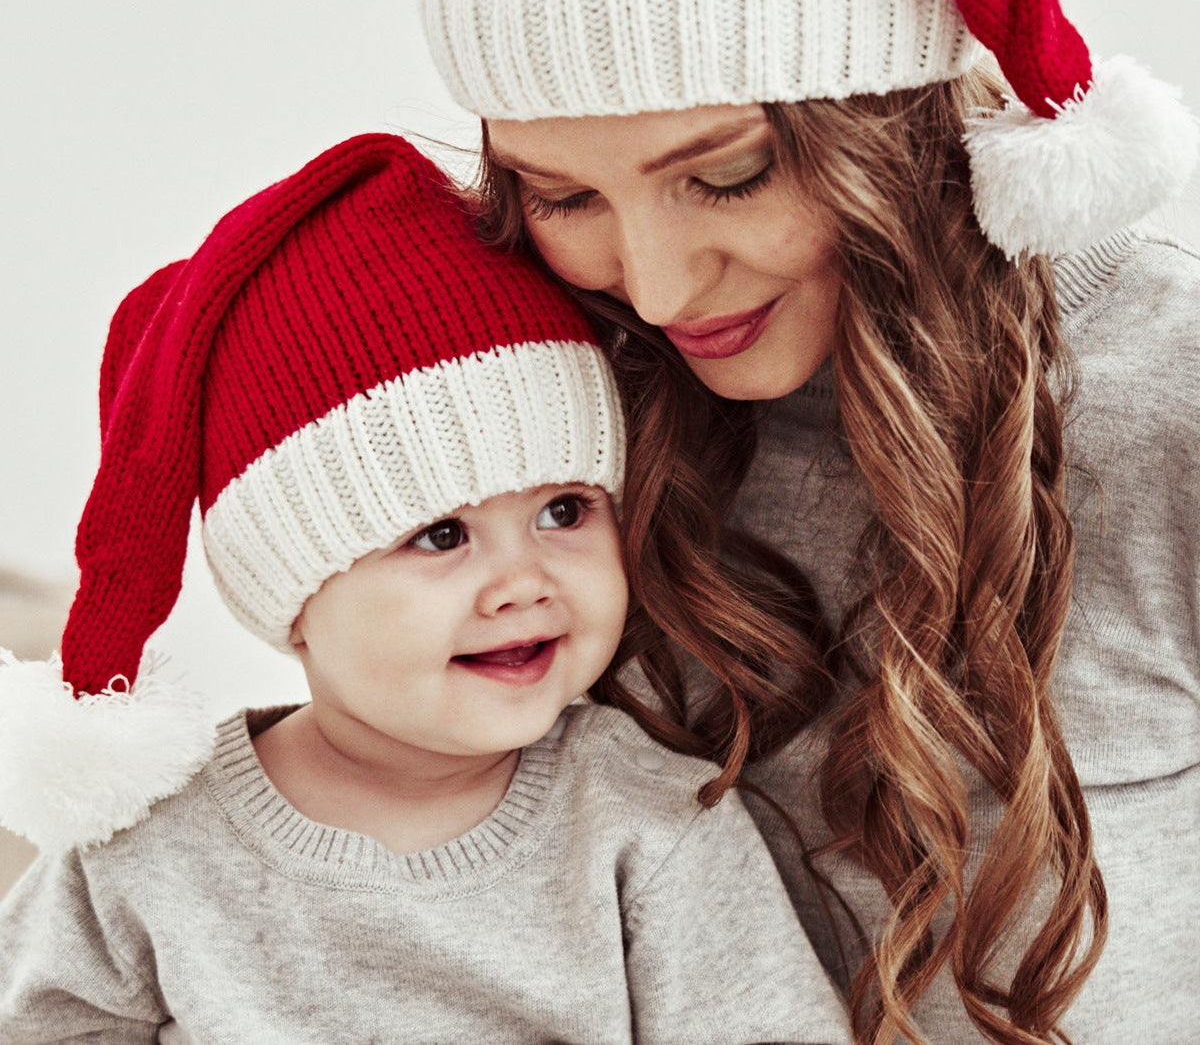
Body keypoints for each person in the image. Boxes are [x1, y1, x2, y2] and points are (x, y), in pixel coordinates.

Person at [416, 0, 1200, 1045]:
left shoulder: (1168, 393)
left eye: (724, 176)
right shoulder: (549, 402)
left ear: (885, 118)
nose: (650, 288)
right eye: (562, 196)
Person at [0, 134, 851, 1045]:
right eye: (441, 536)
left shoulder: (650, 827)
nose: (523, 581)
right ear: (294, 596)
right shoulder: (148, 848)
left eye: (564, 509)